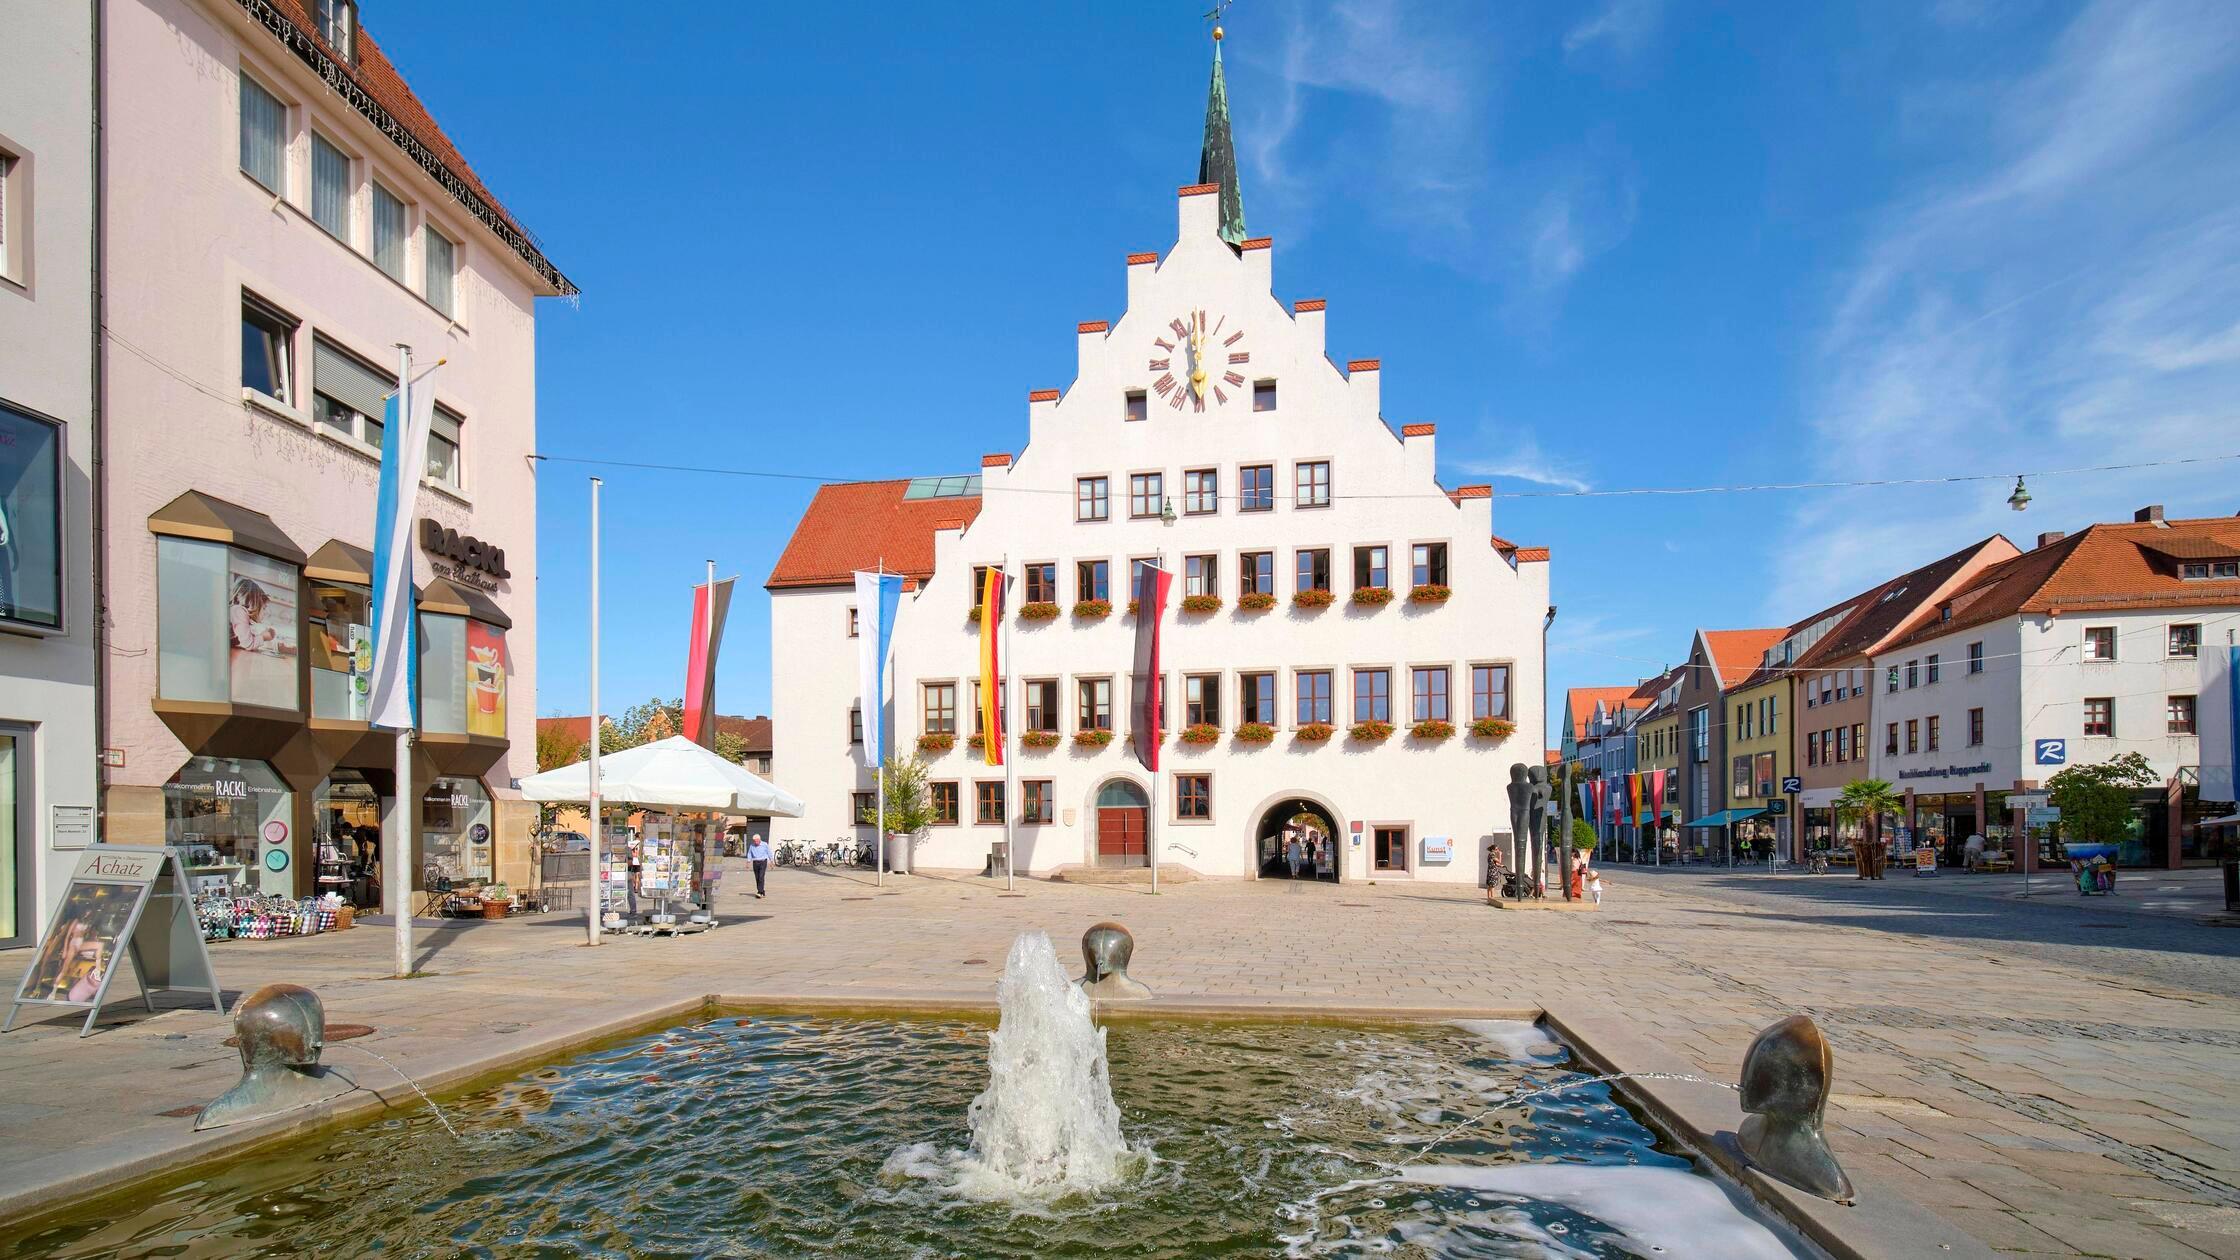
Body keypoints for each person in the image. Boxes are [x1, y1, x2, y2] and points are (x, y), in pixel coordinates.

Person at [748, 832, 771, 898]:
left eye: (757, 841)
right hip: (755, 862)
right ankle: (762, 891)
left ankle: (759, 892)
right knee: (757, 877)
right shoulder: (752, 845)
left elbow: (769, 852)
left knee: (761, 876)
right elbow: (749, 853)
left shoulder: (765, 844)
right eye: (754, 841)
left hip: (763, 862)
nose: (756, 842)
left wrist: (771, 861)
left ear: (759, 839)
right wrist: (748, 861)